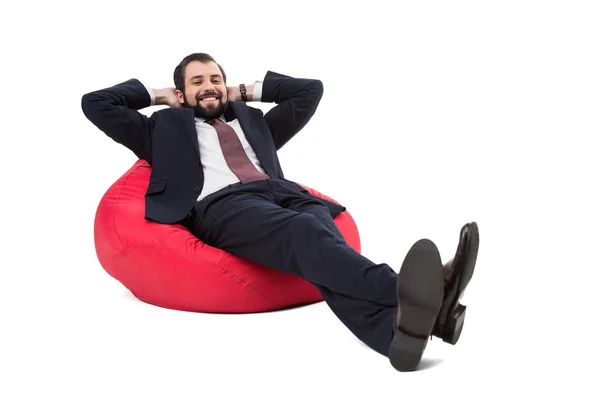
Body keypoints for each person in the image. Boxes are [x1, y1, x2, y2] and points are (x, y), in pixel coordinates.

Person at [81, 52, 480, 372]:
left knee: (318, 237)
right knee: (305, 235)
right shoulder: (159, 130)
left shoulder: (254, 122)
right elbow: (95, 103)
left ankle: (397, 333)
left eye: (215, 79)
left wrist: (243, 90)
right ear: (182, 93)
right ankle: (419, 294)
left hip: (286, 194)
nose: (209, 86)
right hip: (223, 205)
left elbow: (310, 91)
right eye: (197, 81)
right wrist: (158, 97)